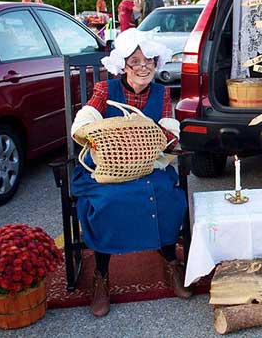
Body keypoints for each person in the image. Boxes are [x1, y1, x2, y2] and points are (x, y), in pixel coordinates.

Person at [70, 29, 190, 317]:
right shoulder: (105, 89)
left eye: (149, 59)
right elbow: (85, 120)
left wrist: (160, 134)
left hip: (146, 163)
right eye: (135, 61)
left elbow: (169, 129)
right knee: (107, 201)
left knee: (163, 194)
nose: (143, 66)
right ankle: (101, 274)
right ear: (122, 65)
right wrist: (91, 132)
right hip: (109, 168)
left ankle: (171, 261)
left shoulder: (161, 92)